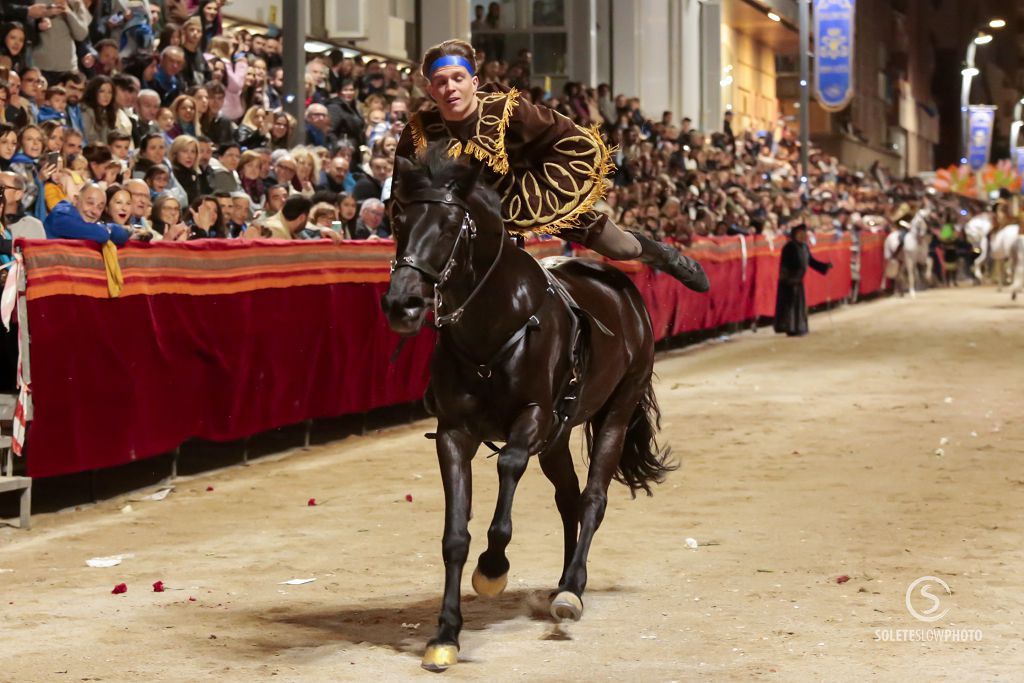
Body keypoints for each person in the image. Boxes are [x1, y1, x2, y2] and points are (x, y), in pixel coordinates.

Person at [394, 39, 708, 292]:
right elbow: (402, 193)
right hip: (463, 220)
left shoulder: (509, 111)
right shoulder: (419, 132)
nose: (450, 88)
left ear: (474, 82)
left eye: (457, 79)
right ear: (430, 90)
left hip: (529, 195)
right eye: (441, 82)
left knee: (620, 248)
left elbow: (564, 137)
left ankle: (663, 255)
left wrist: (545, 192)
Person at [773, 223, 832, 337]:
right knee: (790, 305)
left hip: (798, 280)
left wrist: (825, 267)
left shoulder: (804, 247)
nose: (803, 236)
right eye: (800, 234)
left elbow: (811, 262)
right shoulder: (789, 247)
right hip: (789, 280)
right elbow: (785, 265)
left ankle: (799, 327)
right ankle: (789, 327)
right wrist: (789, 279)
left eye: (804, 234)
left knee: (798, 305)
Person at [44, 182, 132, 245]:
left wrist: (108, 230)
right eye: (90, 203)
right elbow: (101, 235)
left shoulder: (91, 225)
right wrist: (108, 231)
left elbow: (122, 235)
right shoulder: (61, 215)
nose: (94, 211)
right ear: (75, 200)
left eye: (100, 207)